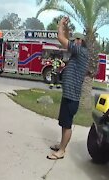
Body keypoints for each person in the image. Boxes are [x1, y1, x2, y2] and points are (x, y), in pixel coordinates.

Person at [47, 17, 89, 160]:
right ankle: (61, 145)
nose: (75, 40)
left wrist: (60, 25)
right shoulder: (78, 54)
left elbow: (61, 37)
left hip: (72, 97)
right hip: (69, 94)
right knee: (64, 122)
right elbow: (66, 37)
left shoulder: (80, 51)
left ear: (82, 42)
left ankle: (62, 151)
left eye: (78, 39)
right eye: (75, 38)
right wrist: (67, 26)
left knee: (67, 124)